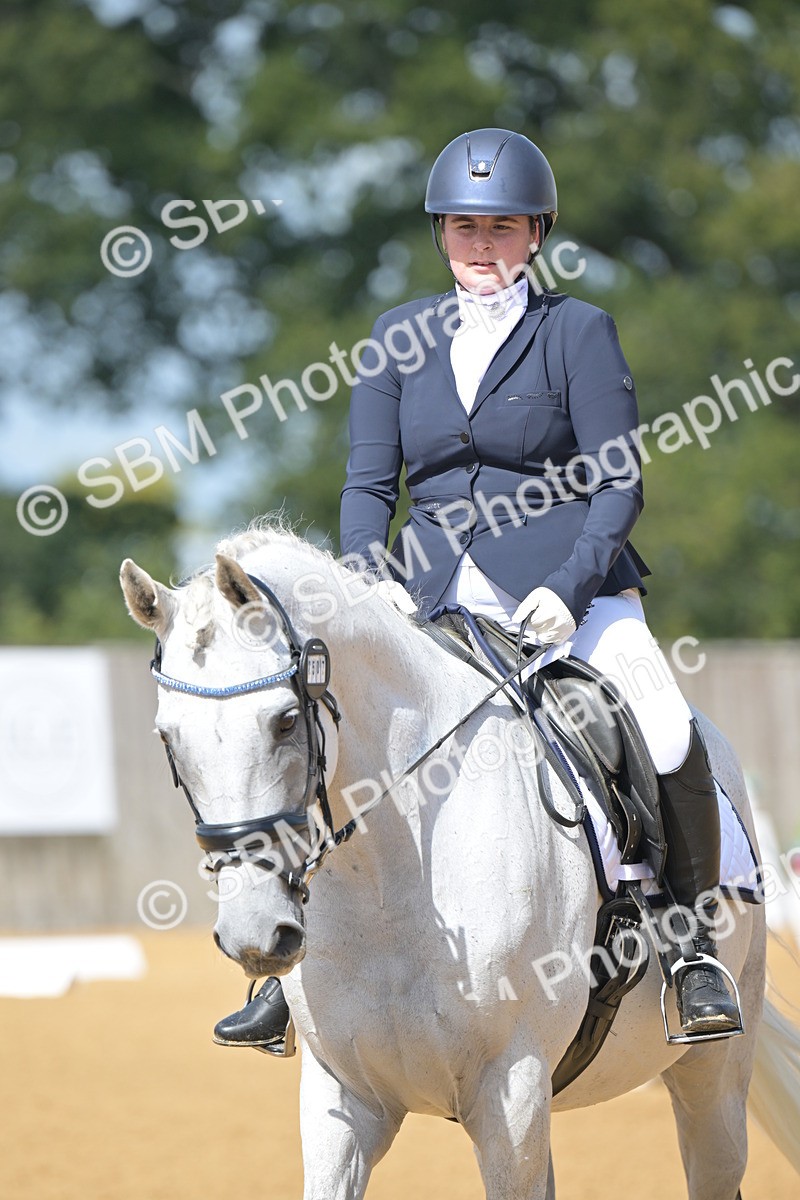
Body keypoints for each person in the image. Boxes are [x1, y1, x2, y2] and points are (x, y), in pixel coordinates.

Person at [214, 127, 741, 1052]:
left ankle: (691, 944)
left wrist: (574, 588)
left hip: (567, 586)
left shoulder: (576, 330)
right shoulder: (395, 340)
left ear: (536, 232)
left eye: (501, 227)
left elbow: (618, 481)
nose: (482, 245)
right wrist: (366, 581)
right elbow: (369, 486)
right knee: (333, 733)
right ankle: (290, 978)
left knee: (661, 722)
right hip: (429, 594)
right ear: (440, 235)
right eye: (464, 227)